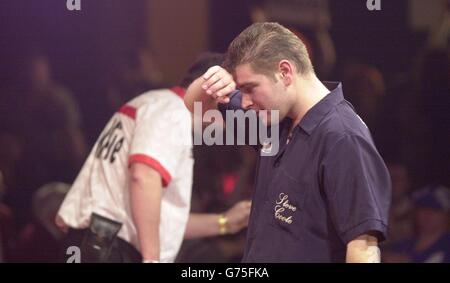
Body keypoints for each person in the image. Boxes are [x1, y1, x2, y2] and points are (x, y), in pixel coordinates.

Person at [184, 22, 391, 262]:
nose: (245, 102)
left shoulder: (342, 137)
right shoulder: (273, 120)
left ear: (284, 72)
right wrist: (213, 79)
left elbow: (363, 249)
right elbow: (195, 107)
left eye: (250, 88)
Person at [56, 53, 230, 263]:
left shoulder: (154, 102)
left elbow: (162, 219)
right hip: (107, 248)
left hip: (92, 243)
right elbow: (144, 175)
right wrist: (152, 259)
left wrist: (226, 222)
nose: (244, 106)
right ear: (215, 90)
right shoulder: (173, 113)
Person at [383, 185, 450, 263]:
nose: (427, 214)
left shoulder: (447, 247)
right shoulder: (402, 246)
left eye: (435, 210)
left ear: (446, 215)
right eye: (423, 209)